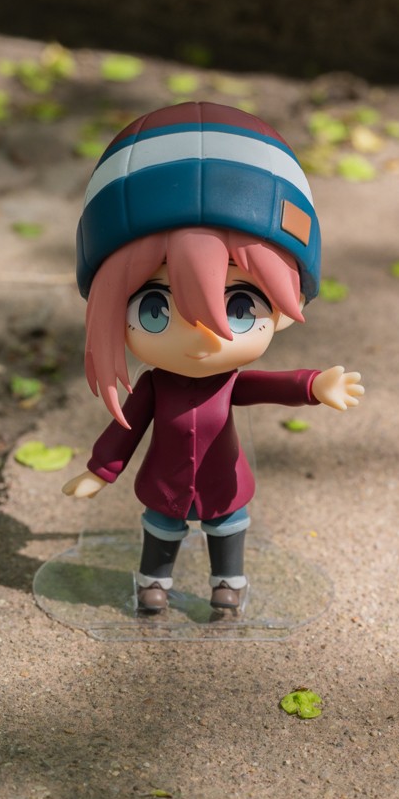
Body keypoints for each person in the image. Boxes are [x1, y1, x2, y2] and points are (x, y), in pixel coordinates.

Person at [63, 102, 363, 612]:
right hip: (165, 484)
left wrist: (314, 386)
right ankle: (153, 581)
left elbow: (271, 385)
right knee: (161, 529)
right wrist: (99, 471)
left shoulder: (229, 383)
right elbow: (124, 430)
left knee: (228, 527)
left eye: (240, 307)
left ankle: (230, 581)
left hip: (224, 483)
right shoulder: (154, 386)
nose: (203, 334)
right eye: (154, 309)